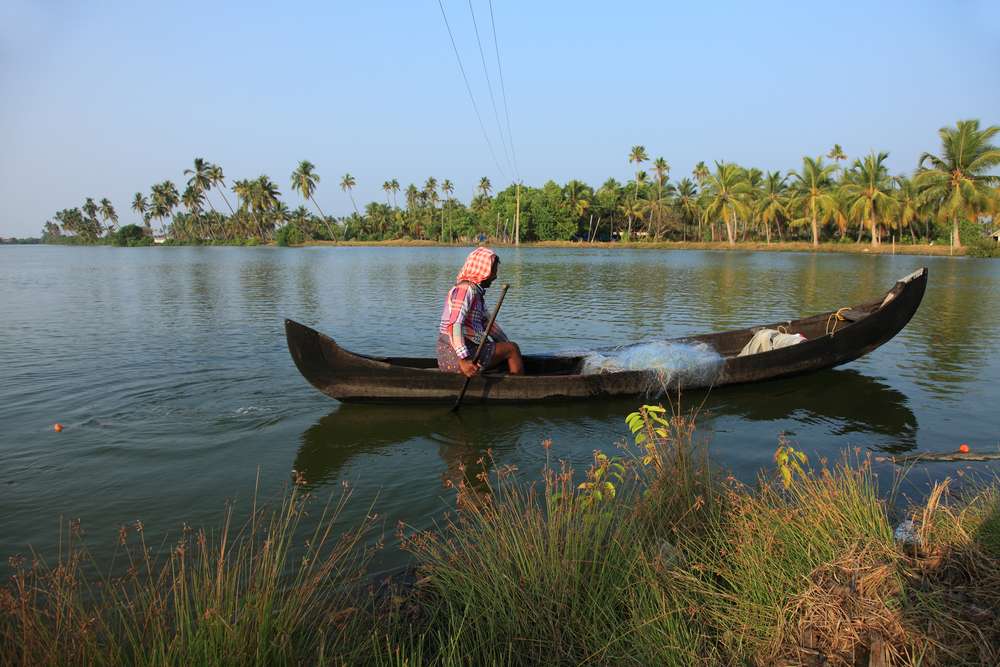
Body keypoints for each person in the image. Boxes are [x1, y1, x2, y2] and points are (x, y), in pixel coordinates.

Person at [437, 247, 524, 377]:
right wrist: (464, 360)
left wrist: (504, 344)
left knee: (509, 348)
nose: (495, 276)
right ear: (483, 271)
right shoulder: (465, 290)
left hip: (469, 350)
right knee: (512, 349)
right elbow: (454, 325)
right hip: (454, 356)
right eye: (493, 271)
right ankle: (519, 387)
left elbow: (489, 325)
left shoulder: (476, 293)